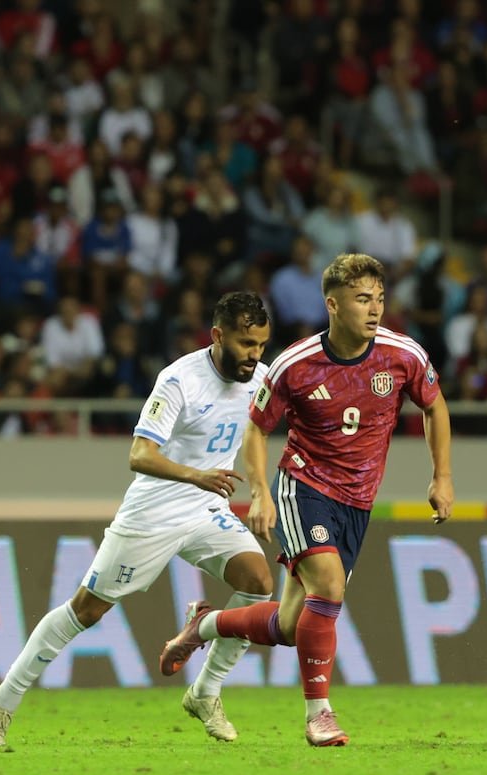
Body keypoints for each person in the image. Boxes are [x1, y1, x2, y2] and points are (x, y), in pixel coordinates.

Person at [162, 253, 453, 747]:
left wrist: (441, 477)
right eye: (362, 299)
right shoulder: (295, 365)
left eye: (380, 299)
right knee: (330, 586)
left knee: (290, 625)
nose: (375, 309)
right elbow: (257, 429)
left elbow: (434, 406)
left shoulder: (403, 354)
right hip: (305, 487)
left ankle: (204, 624)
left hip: (358, 503)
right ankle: (319, 715)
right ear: (332, 305)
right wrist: (260, 492)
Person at [0, 293, 278, 748]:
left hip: (207, 508)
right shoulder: (179, 380)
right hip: (154, 509)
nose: (254, 355)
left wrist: (261, 491)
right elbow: (139, 455)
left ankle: (205, 692)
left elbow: (260, 433)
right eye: (245, 344)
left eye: (260, 345)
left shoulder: (262, 379)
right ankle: (2, 701)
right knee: (86, 610)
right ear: (218, 336)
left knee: (258, 582)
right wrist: (196, 475)